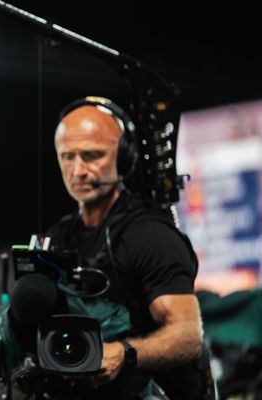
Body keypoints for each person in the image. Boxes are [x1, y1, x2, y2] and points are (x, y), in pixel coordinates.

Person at [46, 97, 205, 399]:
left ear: (124, 158)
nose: (78, 170)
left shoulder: (149, 235)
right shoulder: (59, 236)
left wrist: (124, 353)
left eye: (92, 156)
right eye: (68, 156)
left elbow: (187, 335)